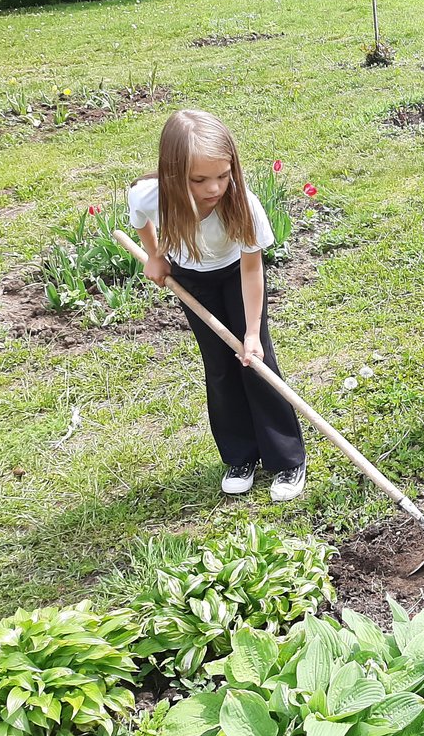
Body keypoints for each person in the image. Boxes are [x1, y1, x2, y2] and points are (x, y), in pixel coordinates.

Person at [128, 109, 307, 501]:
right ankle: (240, 455)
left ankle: (287, 460)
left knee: (256, 365)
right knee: (220, 368)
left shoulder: (243, 203)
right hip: (192, 280)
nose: (214, 188)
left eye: (223, 176)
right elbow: (140, 217)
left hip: (235, 277)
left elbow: (250, 269)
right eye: (200, 180)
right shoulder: (150, 194)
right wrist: (155, 254)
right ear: (173, 175)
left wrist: (253, 332)